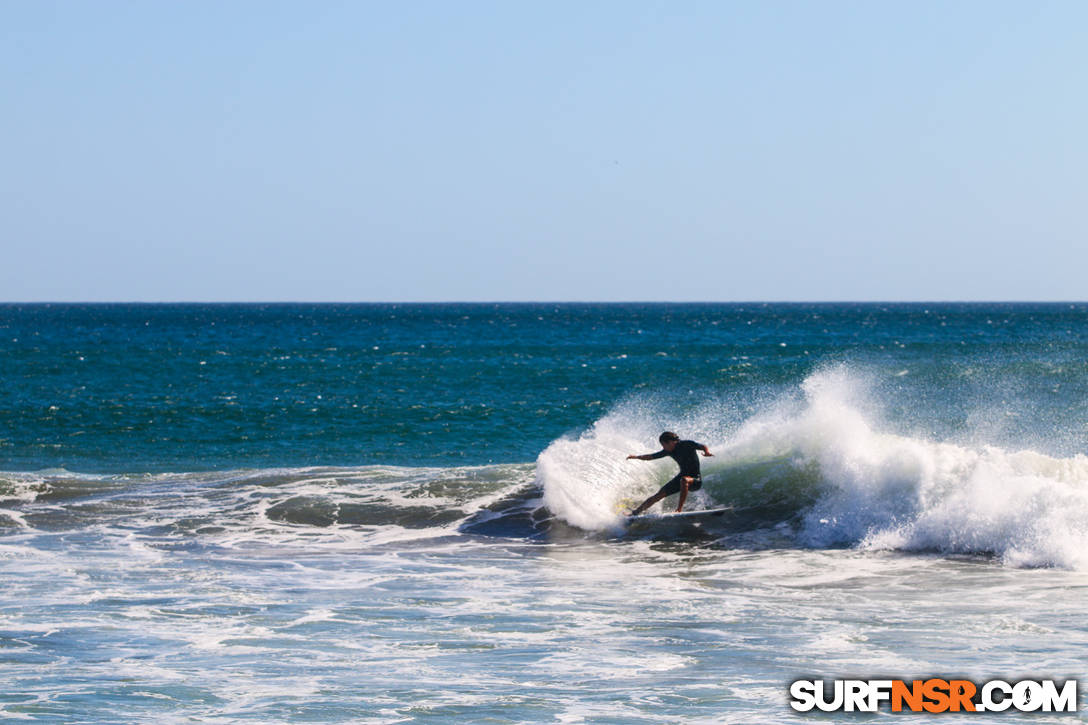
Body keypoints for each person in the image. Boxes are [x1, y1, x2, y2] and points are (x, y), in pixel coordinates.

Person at [626, 431, 713, 515]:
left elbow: (702, 446)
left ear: (671, 442)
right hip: (682, 478)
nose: (663, 447)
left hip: (695, 480)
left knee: (684, 480)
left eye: (663, 445)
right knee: (659, 495)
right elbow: (651, 456)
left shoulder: (687, 444)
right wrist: (637, 457)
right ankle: (635, 513)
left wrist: (707, 452)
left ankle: (679, 510)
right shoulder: (668, 451)